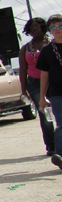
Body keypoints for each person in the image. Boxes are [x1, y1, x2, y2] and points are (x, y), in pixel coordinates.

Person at [19, 17, 54, 155]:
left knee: (58, 112)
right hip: (34, 84)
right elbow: (22, 69)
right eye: (31, 27)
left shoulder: (52, 43)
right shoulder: (25, 48)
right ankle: (51, 146)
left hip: (54, 81)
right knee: (44, 113)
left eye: (37, 26)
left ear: (43, 27)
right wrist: (23, 90)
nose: (34, 29)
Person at [37, 14, 62, 169]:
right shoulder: (47, 51)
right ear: (49, 31)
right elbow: (44, 75)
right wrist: (42, 97)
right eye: (53, 27)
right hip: (56, 92)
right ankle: (60, 156)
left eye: (60, 25)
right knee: (61, 124)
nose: (57, 29)